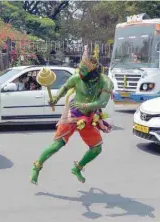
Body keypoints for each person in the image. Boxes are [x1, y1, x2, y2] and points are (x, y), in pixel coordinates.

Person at [30, 54, 114, 185]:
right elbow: (65, 87)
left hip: (88, 117)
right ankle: (37, 166)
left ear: (93, 73)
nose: (80, 76)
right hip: (73, 114)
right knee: (57, 145)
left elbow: (102, 102)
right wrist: (55, 99)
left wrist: (85, 106)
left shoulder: (105, 82)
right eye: (80, 72)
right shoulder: (76, 78)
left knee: (97, 149)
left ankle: (77, 168)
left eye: (84, 74)